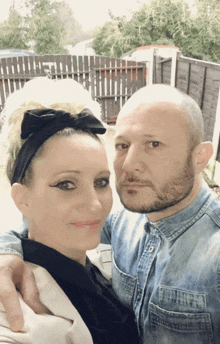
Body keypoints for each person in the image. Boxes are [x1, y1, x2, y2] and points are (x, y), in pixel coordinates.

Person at [0, 83, 220, 344]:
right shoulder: (125, 220)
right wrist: (8, 249)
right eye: (123, 145)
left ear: (200, 157)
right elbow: (48, 225)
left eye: (154, 144)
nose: (128, 164)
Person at [0, 77, 140, 344]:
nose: (95, 204)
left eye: (101, 182)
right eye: (66, 184)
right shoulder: (13, 310)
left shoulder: (105, 259)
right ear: (22, 199)